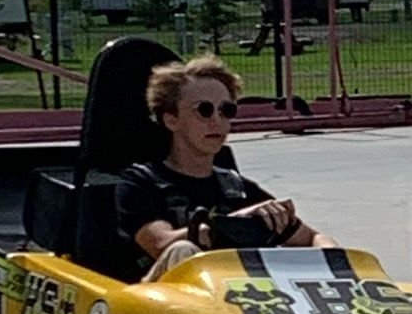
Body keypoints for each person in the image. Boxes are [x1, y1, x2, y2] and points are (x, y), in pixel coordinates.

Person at [115, 55, 337, 280]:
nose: (217, 121)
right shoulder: (141, 183)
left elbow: (313, 238)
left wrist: (336, 261)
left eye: (226, 111)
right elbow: (160, 244)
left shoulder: (238, 189)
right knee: (183, 250)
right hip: (156, 302)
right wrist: (231, 223)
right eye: (204, 110)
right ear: (171, 119)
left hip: (230, 299)